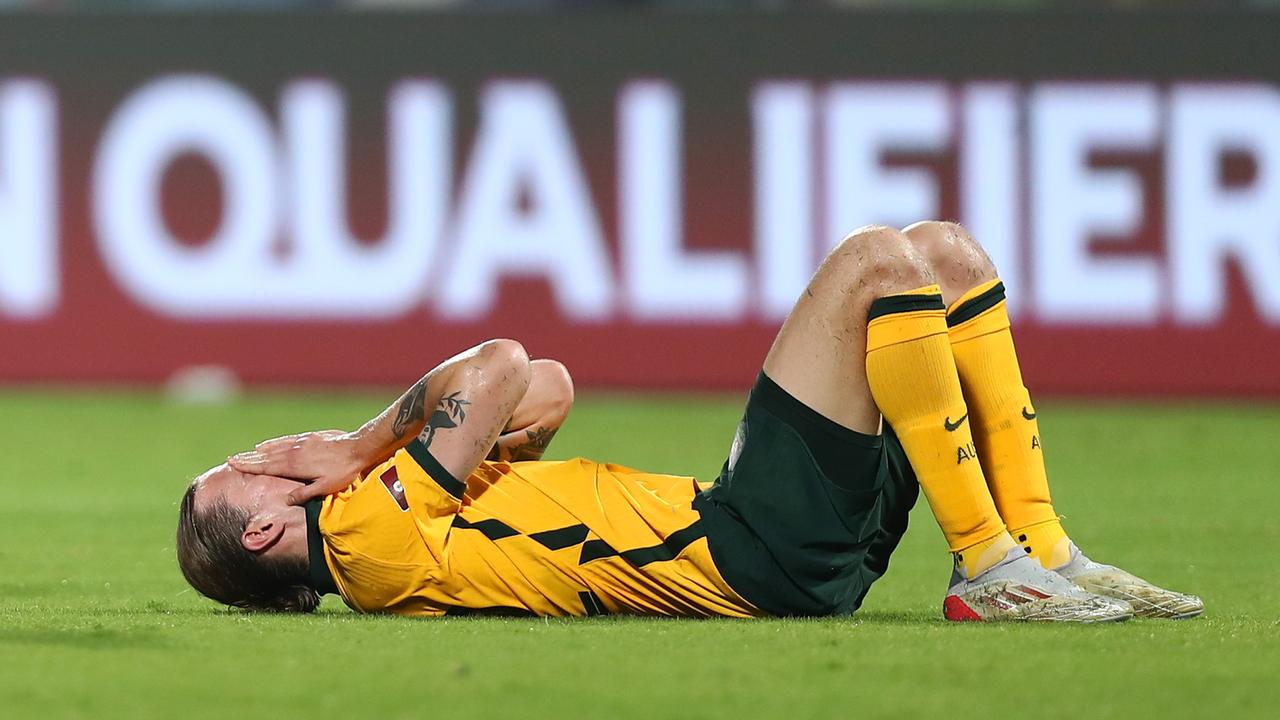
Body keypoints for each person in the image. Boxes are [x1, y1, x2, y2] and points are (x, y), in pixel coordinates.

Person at [176, 221, 1203, 621]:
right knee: (873, 267)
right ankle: (986, 568)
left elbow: (544, 386)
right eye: (246, 468)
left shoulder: (428, 518)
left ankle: (1034, 548)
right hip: (744, 548)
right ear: (268, 531)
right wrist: (362, 444)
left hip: (774, 546)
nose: (269, 449)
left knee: (943, 258)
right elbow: (489, 366)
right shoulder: (368, 537)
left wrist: (387, 442)